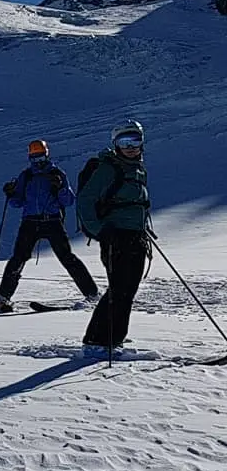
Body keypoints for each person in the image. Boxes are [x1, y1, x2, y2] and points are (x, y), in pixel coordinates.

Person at [0, 140, 99, 312]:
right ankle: (3, 298)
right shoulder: (26, 176)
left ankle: (92, 293)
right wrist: (11, 194)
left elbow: (69, 201)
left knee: (66, 257)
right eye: (35, 157)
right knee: (18, 259)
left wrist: (60, 189)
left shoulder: (57, 174)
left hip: (52, 221)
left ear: (47, 154)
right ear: (30, 158)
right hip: (31, 221)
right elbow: (17, 203)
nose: (38, 161)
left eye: (40, 156)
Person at [76, 120, 151, 356]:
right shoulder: (108, 168)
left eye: (135, 141)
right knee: (120, 289)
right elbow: (85, 202)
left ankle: (111, 337)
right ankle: (100, 341)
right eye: (124, 142)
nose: (130, 147)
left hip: (136, 236)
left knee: (127, 289)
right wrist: (101, 231)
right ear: (115, 144)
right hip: (115, 238)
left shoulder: (137, 169)